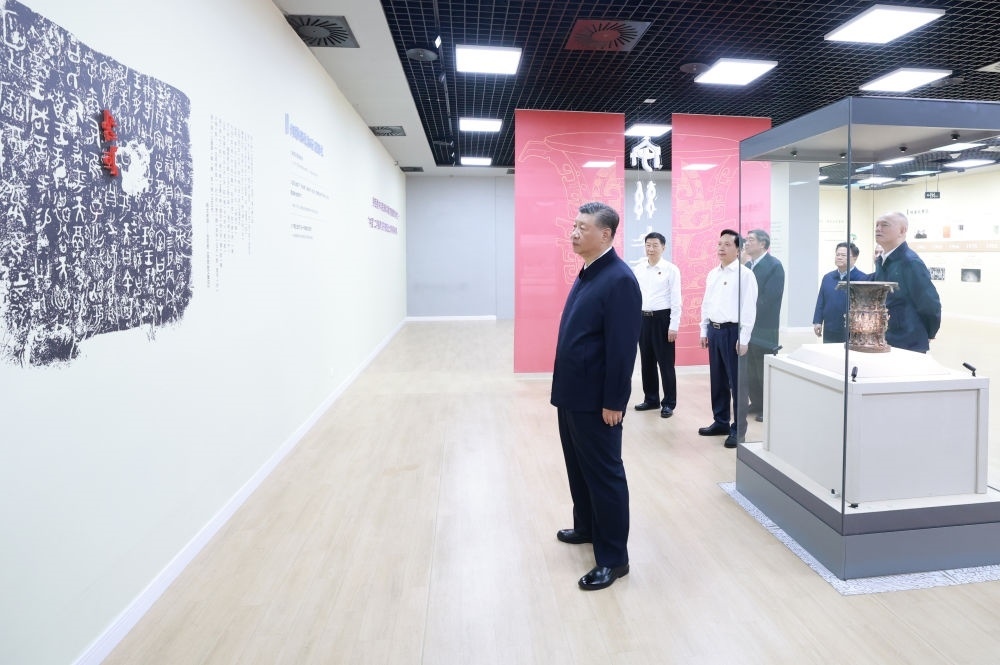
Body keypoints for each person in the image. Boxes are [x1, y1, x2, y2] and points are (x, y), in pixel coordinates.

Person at [551, 201, 641, 591]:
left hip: (596, 400)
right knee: (578, 467)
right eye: (573, 226)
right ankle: (587, 526)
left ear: (605, 235)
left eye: (582, 228)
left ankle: (614, 559)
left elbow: (622, 349)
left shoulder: (619, 279)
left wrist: (614, 401)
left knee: (605, 475)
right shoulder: (589, 271)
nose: (573, 233)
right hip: (573, 393)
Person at [698, 229, 757, 448]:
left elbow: (749, 308)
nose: (721, 248)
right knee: (718, 380)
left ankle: (738, 430)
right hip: (714, 331)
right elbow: (706, 303)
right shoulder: (713, 274)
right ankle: (720, 421)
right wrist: (704, 330)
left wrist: (744, 338)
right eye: (719, 244)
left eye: (727, 244)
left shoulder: (745, 275)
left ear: (738, 249)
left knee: (737, 383)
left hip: (733, 333)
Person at [871, 211, 942, 353]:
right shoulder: (882, 261)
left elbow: (929, 303)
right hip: (885, 338)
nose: (878, 229)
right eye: (877, 225)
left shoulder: (910, 262)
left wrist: (929, 332)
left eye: (884, 225)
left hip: (908, 342)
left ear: (902, 231)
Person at [632, 232, 682, 418]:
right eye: (648, 245)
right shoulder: (638, 269)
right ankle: (651, 399)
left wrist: (673, 325)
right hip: (643, 319)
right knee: (647, 362)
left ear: (663, 247)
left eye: (655, 245)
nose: (651, 249)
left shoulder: (671, 269)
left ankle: (669, 403)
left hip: (663, 319)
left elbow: (676, 300)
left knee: (666, 363)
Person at [742, 229, 784, 420]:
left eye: (751, 240)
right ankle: (757, 402)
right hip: (748, 325)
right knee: (750, 366)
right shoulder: (748, 265)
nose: (746, 243)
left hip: (765, 325)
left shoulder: (774, 266)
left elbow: (770, 297)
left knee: (763, 366)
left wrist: (748, 311)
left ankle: (767, 406)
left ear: (763, 244)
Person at [812, 242, 869, 343]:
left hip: (852, 330)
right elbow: (821, 300)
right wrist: (817, 321)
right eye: (837, 254)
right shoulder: (828, 277)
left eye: (843, 255)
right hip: (830, 328)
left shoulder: (862, 279)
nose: (839, 257)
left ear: (855, 258)